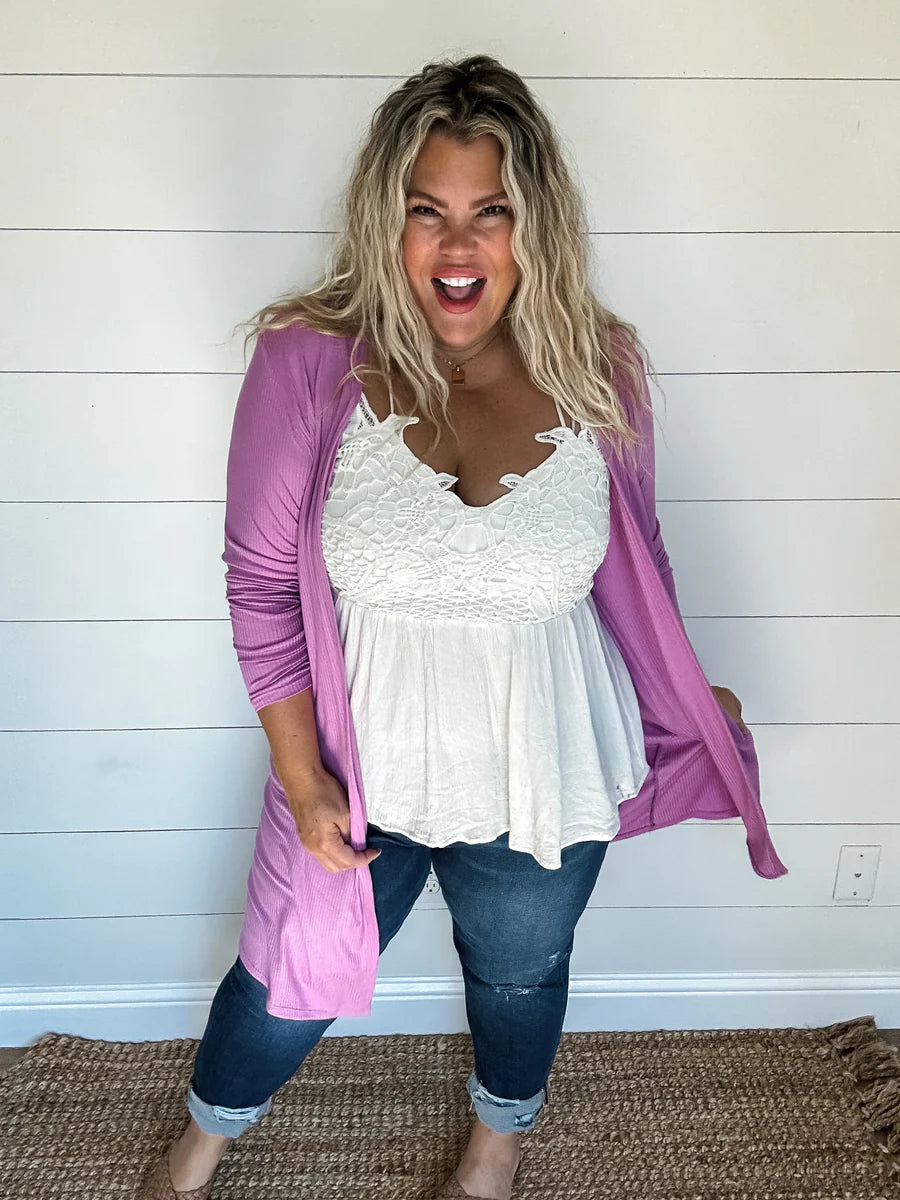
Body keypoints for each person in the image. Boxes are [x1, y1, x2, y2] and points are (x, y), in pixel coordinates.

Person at [138, 53, 785, 1200]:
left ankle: (497, 1149)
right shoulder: (308, 362)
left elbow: (637, 561)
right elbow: (261, 585)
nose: (457, 246)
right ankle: (206, 1137)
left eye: (492, 212)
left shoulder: (601, 367)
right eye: (426, 210)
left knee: (520, 977)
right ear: (383, 219)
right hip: (361, 773)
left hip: (544, 767)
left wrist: (684, 694)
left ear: (536, 225)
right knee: (283, 985)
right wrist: (302, 779)